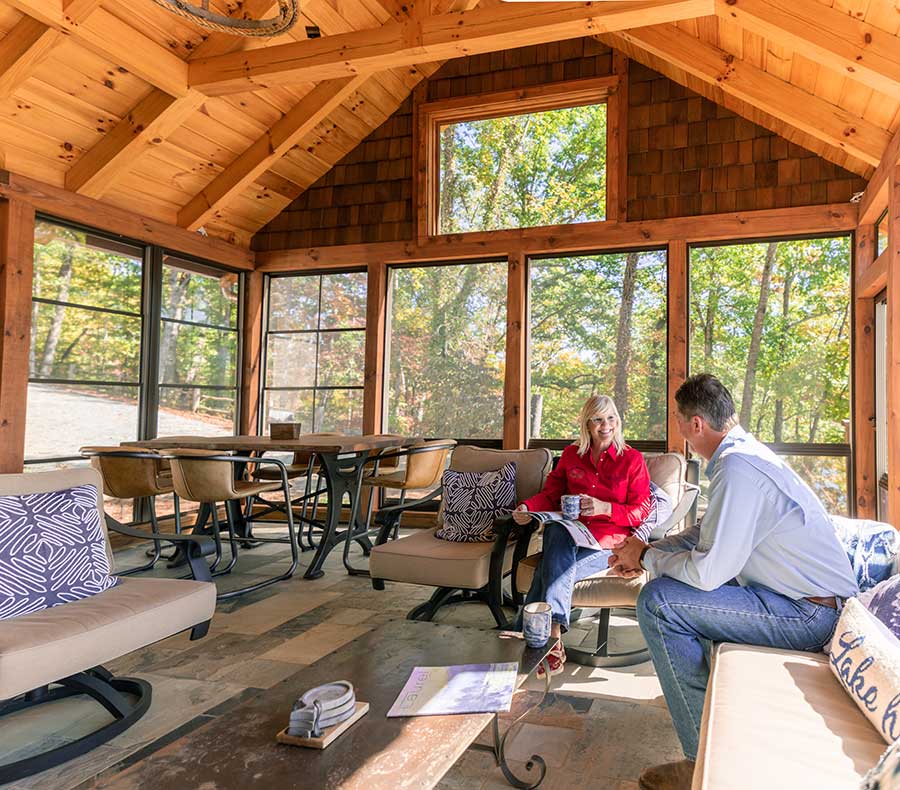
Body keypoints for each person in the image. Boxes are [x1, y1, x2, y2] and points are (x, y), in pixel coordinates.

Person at [608, 374, 858, 790]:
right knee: (673, 592)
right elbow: (710, 532)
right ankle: (714, 726)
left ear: (697, 425)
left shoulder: (737, 468)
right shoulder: (742, 456)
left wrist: (648, 558)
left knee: (659, 602)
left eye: (679, 421)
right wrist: (651, 544)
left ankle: (700, 763)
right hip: (794, 600)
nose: (680, 431)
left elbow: (708, 573)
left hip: (810, 613)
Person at [513, 394, 653, 676]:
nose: (606, 425)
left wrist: (606, 507)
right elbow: (551, 495)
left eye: (611, 418)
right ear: (587, 424)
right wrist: (528, 507)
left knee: (549, 570)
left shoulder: (632, 459)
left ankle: (545, 635)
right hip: (570, 533)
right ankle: (547, 637)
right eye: (599, 419)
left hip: (608, 542)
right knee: (555, 529)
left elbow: (641, 510)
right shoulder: (570, 455)